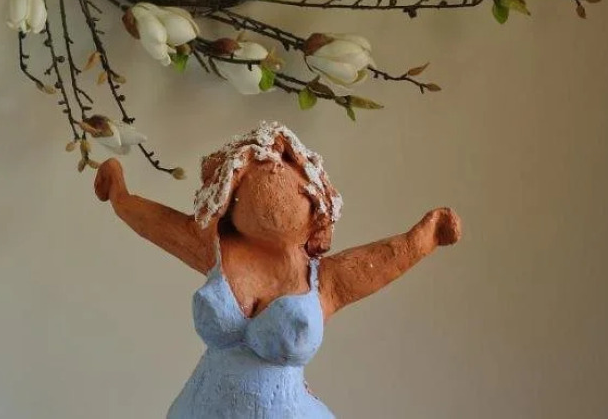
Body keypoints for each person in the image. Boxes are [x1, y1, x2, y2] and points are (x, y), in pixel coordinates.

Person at [94, 122, 461, 418]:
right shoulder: (217, 249)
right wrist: (119, 194)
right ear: (230, 189)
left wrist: (424, 238)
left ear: (316, 201)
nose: (274, 182)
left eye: (286, 171)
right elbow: (156, 224)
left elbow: (378, 262)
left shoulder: (321, 278)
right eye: (260, 171)